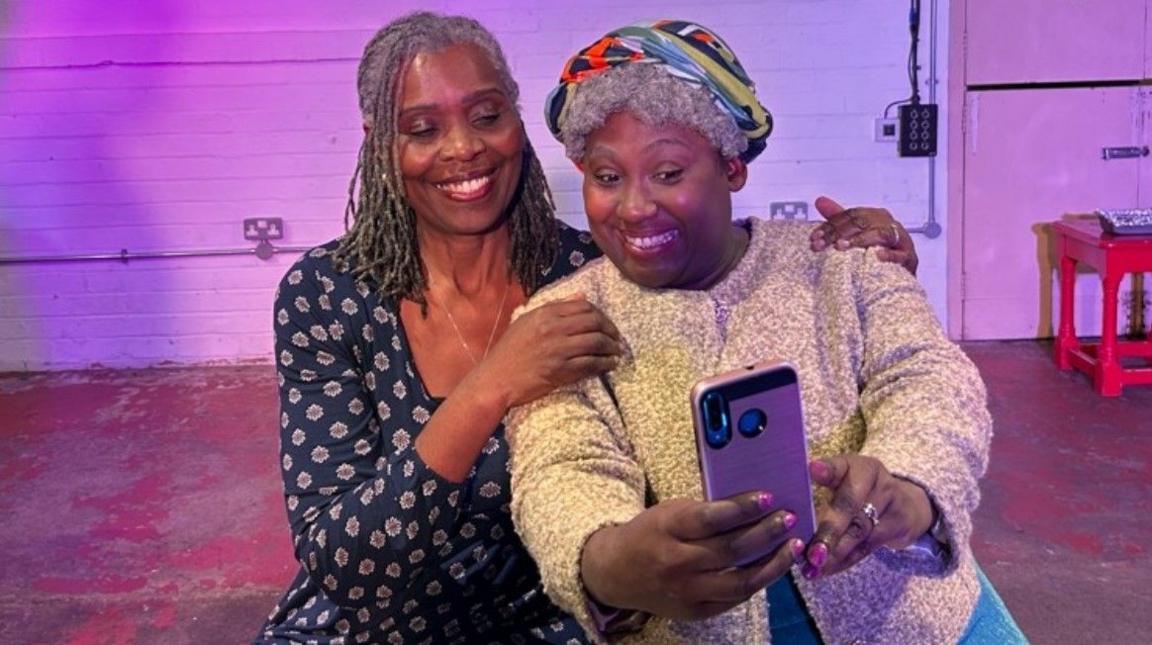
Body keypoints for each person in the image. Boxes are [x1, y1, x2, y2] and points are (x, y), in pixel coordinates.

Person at [257, 12, 922, 643]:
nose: (462, 148)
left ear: (518, 126)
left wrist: (867, 274)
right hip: (375, 627)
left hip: (556, 619)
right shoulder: (329, 294)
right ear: (380, 146)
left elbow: (745, 314)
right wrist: (489, 386)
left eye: (487, 116)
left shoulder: (594, 273)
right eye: (422, 129)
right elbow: (340, 561)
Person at [507, 19, 1025, 644]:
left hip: (915, 622)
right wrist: (609, 560)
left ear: (731, 167)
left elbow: (928, 378)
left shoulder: (841, 263)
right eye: (607, 177)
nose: (635, 206)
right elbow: (560, 467)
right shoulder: (564, 318)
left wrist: (910, 484)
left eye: (668, 173)